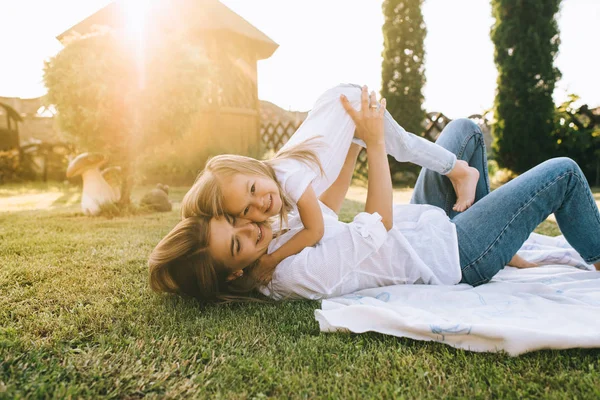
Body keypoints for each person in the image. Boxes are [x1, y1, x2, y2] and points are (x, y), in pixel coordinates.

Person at [148, 87, 600, 302]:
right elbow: (375, 226)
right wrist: (378, 142)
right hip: (452, 256)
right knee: (562, 172)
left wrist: (353, 146)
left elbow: (322, 211)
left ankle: (500, 234)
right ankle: (590, 254)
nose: (251, 223)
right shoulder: (291, 277)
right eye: (236, 241)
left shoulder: (270, 243)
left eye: (237, 217)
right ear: (233, 275)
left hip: (424, 225)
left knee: (465, 132)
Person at [179, 84, 480, 278]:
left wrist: (272, 260)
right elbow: (328, 209)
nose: (260, 204)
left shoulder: (288, 178)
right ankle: (459, 178)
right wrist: (356, 142)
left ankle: (459, 170)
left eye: (253, 190)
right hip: (339, 117)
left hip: (348, 103)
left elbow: (316, 228)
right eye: (246, 211)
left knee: (402, 145)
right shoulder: (276, 186)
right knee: (400, 145)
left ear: (254, 168)